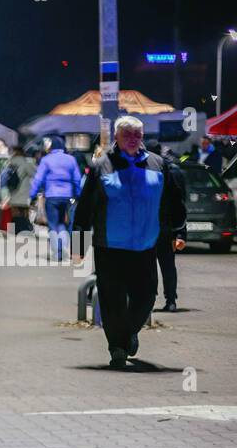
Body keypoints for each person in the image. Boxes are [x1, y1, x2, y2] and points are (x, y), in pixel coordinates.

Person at [73, 116, 186, 369]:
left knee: (146, 296)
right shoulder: (102, 165)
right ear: (116, 137)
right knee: (112, 301)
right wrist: (78, 244)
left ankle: (128, 333)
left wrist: (180, 231)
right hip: (109, 246)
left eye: (137, 134)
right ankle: (117, 348)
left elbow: (173, 201)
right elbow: (85, 207)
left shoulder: (158, 165)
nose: (133, 139)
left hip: (145, 245)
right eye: (128, 135)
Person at [145, 139, 187, 313]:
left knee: (148, 265)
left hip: (148, 227)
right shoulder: (172, 171)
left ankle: (149, 300)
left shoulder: (145, 169)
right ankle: (171, 300)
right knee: (168, 265)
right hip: (166, 227)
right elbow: (180, 203)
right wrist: (180, 233)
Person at [29, 136, 83, 262]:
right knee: (64, 223)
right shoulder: (70, 160)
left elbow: (38, 179)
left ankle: (57, 252)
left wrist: (32, 195)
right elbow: (77, 179)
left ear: (51, 147)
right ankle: (63, 247)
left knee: (53, 224)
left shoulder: (46, 160)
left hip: (52, 195)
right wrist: (77, 194)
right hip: (67, 196)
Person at [2, 144, 37, 234]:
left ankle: (13, 230)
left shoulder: (9, 163)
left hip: (12, 192)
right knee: (23, 213)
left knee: (14, 213)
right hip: (23, 193)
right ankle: (24, 229)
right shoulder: (26, 163)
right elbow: (35, 175)